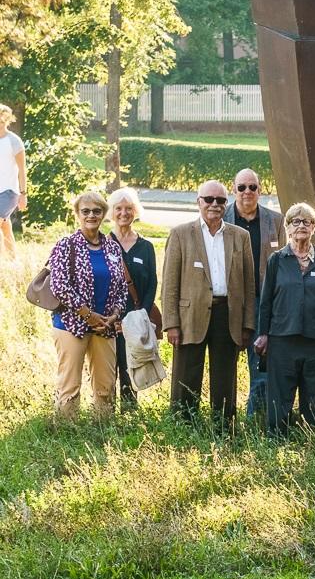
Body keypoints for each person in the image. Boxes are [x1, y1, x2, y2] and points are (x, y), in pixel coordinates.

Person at [162, 180, 256, 424]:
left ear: (227, 204)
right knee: (186, 375)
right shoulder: (181, 234)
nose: (215, 205)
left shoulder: (240, 236)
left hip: (227, 314)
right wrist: (171, 323)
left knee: (225, 377)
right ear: (198, 202)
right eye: (209, 200)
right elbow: (170, 283)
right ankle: (184, 426)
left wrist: (248, 324)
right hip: (189, 317)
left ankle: (224, 428)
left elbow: (248, 285)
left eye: (221, 200)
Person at [254, 203, 315, 434]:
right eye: (296, 221)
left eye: (307, 222)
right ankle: (276, 442)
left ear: (314, 227)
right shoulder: (277, 260)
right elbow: (266, 302)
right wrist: (263, 334)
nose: (301, 226)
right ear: (287, 227)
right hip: (282, 339)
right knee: (280, 397)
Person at [46, 191, 128, 417]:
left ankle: (103, 431)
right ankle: (66, 433)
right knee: (69, 386)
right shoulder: (66, 245)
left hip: (105, 326)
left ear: (103, 214)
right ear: (77, 214)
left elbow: (122, 287)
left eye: (96, 211)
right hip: (72, 325)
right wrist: (87, 314)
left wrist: (114, 315)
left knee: (106, 385)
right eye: (86, 211)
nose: (91, 215)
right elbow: (59, 285)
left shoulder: (112, 247)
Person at [231, 168, 285, 420]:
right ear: (234, 190)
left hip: (264, 302)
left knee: (261, 362)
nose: (247, 192)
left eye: (252, 187)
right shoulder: (222, 218)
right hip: (230, 304)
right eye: (242, 187)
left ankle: (256, 419)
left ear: (260, 191)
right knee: (226, 364)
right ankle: (225, 419)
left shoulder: (276, 221)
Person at [108, 188, 158, 409]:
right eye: (118, 208)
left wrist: (142, 314)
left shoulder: (145, 246)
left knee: (131, 367)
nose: (123, 213)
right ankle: (104, 416)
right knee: (108, 370)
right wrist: (110, 318)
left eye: (128, 208)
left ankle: (129, 415)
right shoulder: (104, 243)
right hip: (108, 321)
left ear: (135, 211)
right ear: (111, 212)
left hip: (135, 320)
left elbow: (152, 283)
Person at [0, 103, 26, 259]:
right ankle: (12, 260)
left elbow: (22, 170)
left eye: (1, 121)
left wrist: (23, 194)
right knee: (5, 225)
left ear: (6, 120)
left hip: (9, 192)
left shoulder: (14, 141)